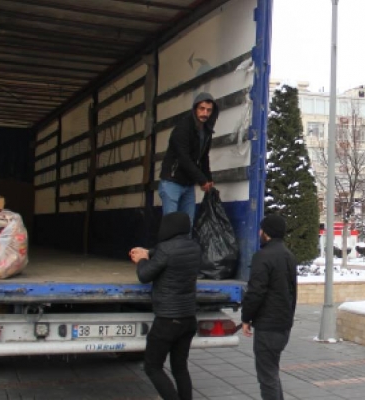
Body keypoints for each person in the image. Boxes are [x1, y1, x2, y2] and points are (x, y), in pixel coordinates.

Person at [129, 212, 202, 400]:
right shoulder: (194, 247)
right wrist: (148, 251)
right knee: (180, 368)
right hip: (188, 319)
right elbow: (169, 252)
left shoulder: (166, 249)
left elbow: (144, 275)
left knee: (152, 367)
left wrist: (142, 260)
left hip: (167, 320)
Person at [241, 215, 298, 400]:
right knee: (272, 372)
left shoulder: (262, 256)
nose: (259, 232)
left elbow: (255, 292)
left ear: (267, 233)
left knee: (267, 377)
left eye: (261, 229)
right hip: (283, 325)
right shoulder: (289, 255)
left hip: (268, 326)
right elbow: (293, 292)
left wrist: (245, 318)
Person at [158, 92, 220, 225]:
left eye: (209, 110)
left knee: (187, 224)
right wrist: (202, 180)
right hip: (172, 182)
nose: (205, 113)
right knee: (171, 225)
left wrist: (208, 179)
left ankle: (185, 245)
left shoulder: (206, 131)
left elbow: (204, 157)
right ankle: (169, 246)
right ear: (195, 109)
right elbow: (183, 158)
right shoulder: (183, 128)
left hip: (188, 184)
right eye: (202, 109)